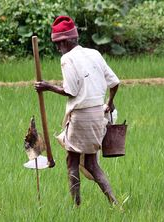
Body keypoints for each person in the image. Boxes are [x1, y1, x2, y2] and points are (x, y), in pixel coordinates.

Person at [34, 15, 120, 206]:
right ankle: (114, 203)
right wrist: (110, 102)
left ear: (65, 41)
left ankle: (76, 206)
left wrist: (47, 87)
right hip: (98, 115)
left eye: (58, 43)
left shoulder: (67, 59)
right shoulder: (94, 54)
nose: (58, 48)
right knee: (91, 163)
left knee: (71, 163)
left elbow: (70, 90)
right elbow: (115, 82)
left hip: (81, 117)